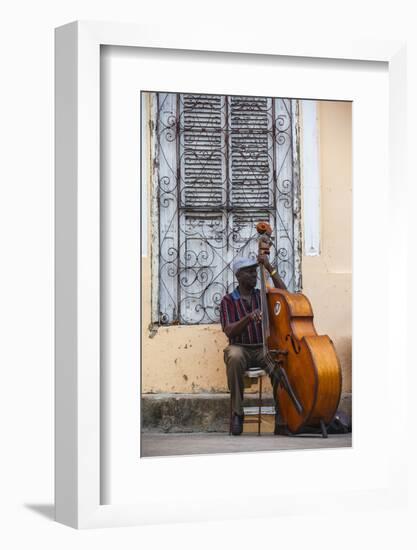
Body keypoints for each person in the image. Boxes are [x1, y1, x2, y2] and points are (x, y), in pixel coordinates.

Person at [220, 254, 287, 436]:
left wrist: (269, 267)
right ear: (238, 276)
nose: (254, 275)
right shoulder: (228, 300)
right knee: (233, 356)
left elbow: (284, 294)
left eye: (255, 272)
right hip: (240, 347)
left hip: (261, 348)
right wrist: (248, 318)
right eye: (249, 272)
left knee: (280, 363)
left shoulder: (262, 296)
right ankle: (237, 413)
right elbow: (229, 330)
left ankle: (283, 416)